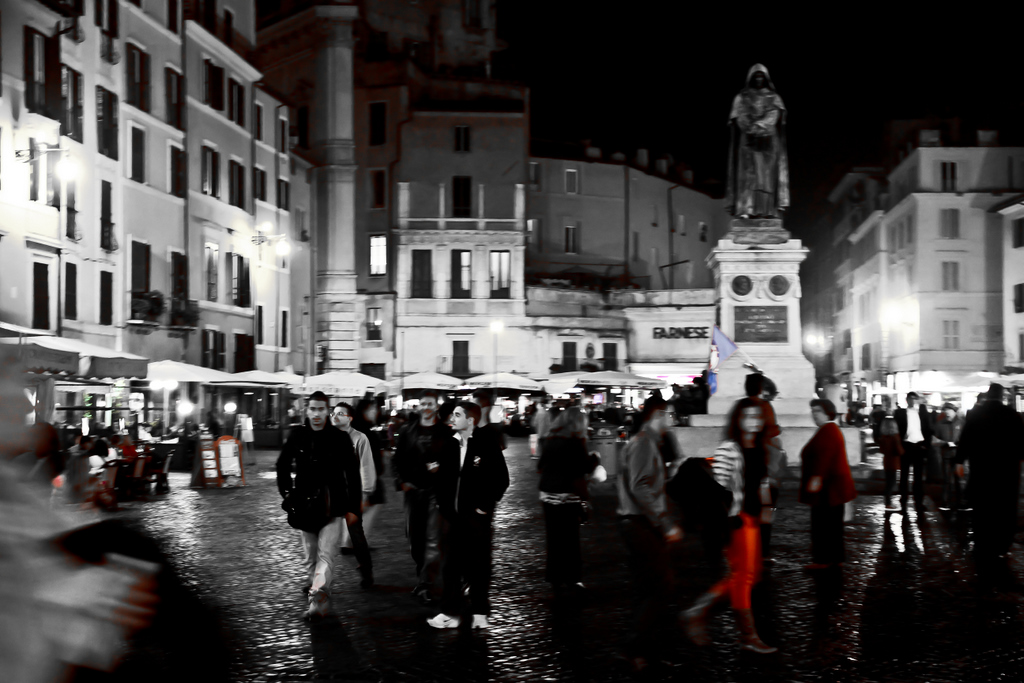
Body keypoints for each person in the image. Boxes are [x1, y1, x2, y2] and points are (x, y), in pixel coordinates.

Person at [683, 397, 776, 655]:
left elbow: (763, 482)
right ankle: (748, 634)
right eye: (748, 416)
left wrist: (769, 510)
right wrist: (726, 524)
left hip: (754, 519)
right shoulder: (729, 448)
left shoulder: (759, 446)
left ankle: (697, 612)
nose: (754, 421)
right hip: (737, 520)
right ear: (738, 419)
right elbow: (718, 490)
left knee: (749, 575)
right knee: (743, 577)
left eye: (758, 416)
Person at [276, 391, 367, 619]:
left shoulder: (339, 438)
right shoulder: (297, 435)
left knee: (326, 555)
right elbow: (282, 465)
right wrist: (287, 493)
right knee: (311, 557)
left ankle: (318, 605)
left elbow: (353, 475)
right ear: (306, 410)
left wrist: (353, 508)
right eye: (313, 409)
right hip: (305, 505)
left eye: (321, 409)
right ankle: (318, 596)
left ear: (327, 411)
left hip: (333, 505)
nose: (316, 414)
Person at [616, 396, 685, 670]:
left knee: (647, 587)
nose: (671, 421)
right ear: (658, 415)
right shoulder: (644, 442)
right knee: (660, 586)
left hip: (638, 522)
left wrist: (668, 474)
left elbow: (645, 482)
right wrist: (665, 522)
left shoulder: (646, 442)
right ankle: (635, 647)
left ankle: (645, 647)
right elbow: (640, 485)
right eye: (668, 416)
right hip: (639, 523)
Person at [428, 402, 510, 630]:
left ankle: (480, 612)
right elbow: (442, 478)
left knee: (478, 565)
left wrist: (483, 508)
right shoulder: (449, 444)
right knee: (451, 565)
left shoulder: (486, 444)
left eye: (457, 415)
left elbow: (501, 479)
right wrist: (443, 505)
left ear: (471, 420)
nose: (451, 419)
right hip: (452, 517)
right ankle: (450, 612)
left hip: (477, 518)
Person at [955, 383, 1024, 570]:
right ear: (1002, 396)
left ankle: (982, 542)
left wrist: (959, 461)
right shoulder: (1012, 415)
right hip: (1007, 471)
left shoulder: (976, 414)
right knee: (1004, 508)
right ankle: (1002, 544)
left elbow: (965, 439)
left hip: (982, 469)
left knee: (982, 507)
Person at [392, 391, 449, 604]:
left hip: (436, 491)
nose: (426, 407)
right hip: (413, 491)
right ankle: (422, 573)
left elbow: (452, 460)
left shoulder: (445, 432)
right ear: (419, 406)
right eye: (423, 403)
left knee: (433, 539)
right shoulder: (407, 431)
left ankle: (426, 583)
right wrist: (402, 482)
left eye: (430, 403)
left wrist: (441, 471)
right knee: (415, 538)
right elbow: (396, 460)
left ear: (436, 406)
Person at [537, 407, 600, 594]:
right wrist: (595, 458)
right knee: (570, 538)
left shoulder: (551, 440)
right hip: (566, 495)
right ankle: (573, 578)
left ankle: (555, 577)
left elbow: (541, 466)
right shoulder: (575, 442)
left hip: (548, 495)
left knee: (554, 538)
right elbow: (583, 468)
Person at [800, 399, 857, 570]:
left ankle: (823, 559)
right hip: (832, 489)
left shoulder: (828, 431)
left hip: (827, 489)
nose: (813, 414)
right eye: (812, 410)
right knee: (833, 525)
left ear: (827, 412)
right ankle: (835, 557)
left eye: (817, 411)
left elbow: (824, 457)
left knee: (822, 525)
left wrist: (816, 478)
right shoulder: (830, 429)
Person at [726, 64, 789, 218]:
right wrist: (750, 128)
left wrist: (759, 126)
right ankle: (746, 210)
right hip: (748, 141)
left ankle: (767, 211)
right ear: (751, 78)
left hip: (768, 141)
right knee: (748, 175)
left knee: (766, 177)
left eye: (762, 76)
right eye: (756, 76)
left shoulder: (774, 98)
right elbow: (739, 116)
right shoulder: (742, 98)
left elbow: (775, 114)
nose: (759, 79)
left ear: (766, 78)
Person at [331, 403, 377, 574]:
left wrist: (366, 492)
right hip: (332, 492)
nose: (335, 416)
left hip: (352, 492)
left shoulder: (359, 438)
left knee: (356, 532)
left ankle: (366, 568)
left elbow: (366, 466)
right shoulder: (327, 436)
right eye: (333, 413)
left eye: (340, 413)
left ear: (349, 418)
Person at [353, 399, 387, 540]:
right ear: (364, 411)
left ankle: (350, 540)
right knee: (373, 502)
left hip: (359, 477)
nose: (375, 412)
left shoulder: (355, 429)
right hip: (365, 477)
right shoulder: (365, 433)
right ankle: (354, 540)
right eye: (372, 409)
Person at [894, 392, 932, 511]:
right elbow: (897, 430)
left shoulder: (922, 413)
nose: (913, 401)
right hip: (906, 446)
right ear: (907, 400)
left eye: (915, 399)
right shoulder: (900, 413)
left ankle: (918, 502)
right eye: (910, 399)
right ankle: (904, 501)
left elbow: (928, 429)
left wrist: (925, 445)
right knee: (904, 476)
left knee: (918, 476)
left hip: (919, 446)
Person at [933, 403, 963, 512]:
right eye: (945, 410)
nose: (946, 412)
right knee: (947, 480)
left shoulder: (961, 423)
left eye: (949, 410)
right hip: (946, 455)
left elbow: (965, 437)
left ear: (954, 411)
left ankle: (960, 502)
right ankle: (946, 502)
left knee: (959, 479)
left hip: (959, 456)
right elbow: (934, 440)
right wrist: (944, 443)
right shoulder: (940, 424)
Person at [876, 415, 904, 512]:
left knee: (888, 483)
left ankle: (887, 502)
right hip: (894, 461)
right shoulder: (895, 437)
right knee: (891, 483)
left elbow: (881, 449)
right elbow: (899, 451)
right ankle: (888, 504)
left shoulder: (883, 437)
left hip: (886, 461)